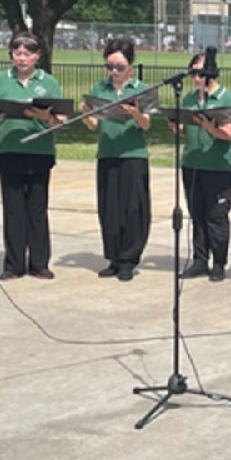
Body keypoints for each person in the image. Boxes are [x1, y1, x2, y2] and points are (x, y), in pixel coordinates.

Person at [0, 32, 65, 281]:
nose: (22, 58)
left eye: (27, 53)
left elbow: (60, 120)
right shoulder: (0, 80)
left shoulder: (49, 82)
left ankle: (39, 263)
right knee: (13, 209)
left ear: (37, 56)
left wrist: (46, 117)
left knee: (37, 209)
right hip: (9, 150)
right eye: (17, 53)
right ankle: (14, 264)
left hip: (39, 151)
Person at [82, 38, 151, 281]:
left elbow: (146, 125)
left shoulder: (140, 88)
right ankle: (113, 257)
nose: (114, 71)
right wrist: (85, 112)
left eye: (119, 67)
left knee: (133, 208)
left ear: (130, 66)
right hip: (108, 153)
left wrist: (135, 113)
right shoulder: (100, 89)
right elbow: (93, 124)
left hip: (133, 155)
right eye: (110, 66)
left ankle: (128, 260)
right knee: (109, 208)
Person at [171, 52, 231, 282]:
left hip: (217, 166)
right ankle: (200, 259)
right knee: (197, 214)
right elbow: (185, 129)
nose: (196, 78)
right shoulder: (189, 98)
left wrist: (211, 128)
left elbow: (228, 133)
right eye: (193, 74)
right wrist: (175, 125)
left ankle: (219, 262)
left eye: (200, 73)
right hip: (192, 164)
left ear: (211, 73)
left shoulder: (225, 97)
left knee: (216, 216)